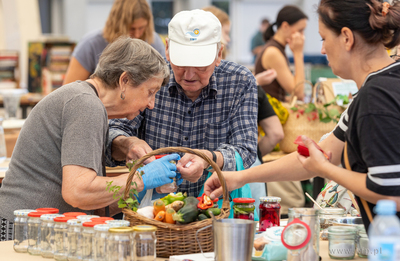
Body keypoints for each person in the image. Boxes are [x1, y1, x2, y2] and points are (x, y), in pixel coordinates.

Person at [205, 0, 400, 231]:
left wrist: (325, 170)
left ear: (347, 37)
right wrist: (240, 177)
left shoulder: (375, 97)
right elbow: (318, 155)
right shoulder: (377, 89)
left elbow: (389, 193)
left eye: (323, 38)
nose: (322, 50)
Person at [0, 37, 179, 241]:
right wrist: (140, 179)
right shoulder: (86, 105)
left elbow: (86, 198)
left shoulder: (85, 99)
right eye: (150, 92)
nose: (151, 104)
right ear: (124, 81)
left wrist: (134, 192)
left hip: (34, 227)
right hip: (24, 233)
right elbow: (77, 192)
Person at [107, 9, 258, 198]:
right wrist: (128, 144)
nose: (189, 75)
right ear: (167, 49)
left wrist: (208, 159)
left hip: (215, 205)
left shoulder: (240, 82)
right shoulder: (148, 78)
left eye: (200, 66)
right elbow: (113, 131)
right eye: (180, 65)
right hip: (151, 207)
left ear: (219, 54)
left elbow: (246, 151)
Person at [63, 0, 165, 85]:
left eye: (141, 28)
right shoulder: (90, 44)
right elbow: (68, 91)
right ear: (118, 25)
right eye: (131, 29)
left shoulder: (154, 42)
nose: (137, 35)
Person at [255, 6, 308, 102]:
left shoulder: (276, 48)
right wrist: (298, 53)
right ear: (285, 26)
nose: (302, 36)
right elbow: (298, 92)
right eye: (300, 30)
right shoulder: (273, 52)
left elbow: (276, 93)